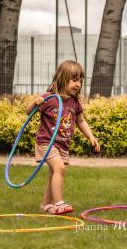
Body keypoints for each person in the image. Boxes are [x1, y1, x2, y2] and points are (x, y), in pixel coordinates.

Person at [26, 60, 100, 215]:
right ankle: (59, 203)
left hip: (62, 144)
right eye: (74, 80)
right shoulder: (49, 98)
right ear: (61, 78)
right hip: (47, 142)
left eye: (80, 80)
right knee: (60, 168)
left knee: (54, 173)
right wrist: (35, 102)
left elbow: (80, 121)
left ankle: (46, 205)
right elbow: (28, 112)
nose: (78, 84)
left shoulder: (74, 102)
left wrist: (91, 137)